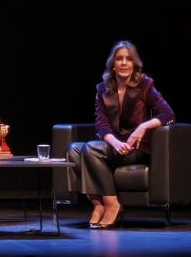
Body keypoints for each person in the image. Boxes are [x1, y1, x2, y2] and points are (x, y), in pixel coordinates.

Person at [67, 40, 175, 229]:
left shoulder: (145, 85)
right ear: (113, 65)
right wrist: (114, 142)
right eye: (119, 59)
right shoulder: (102, 89)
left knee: (91, 149)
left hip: (137, 147)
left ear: (135, 64)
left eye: (129, 59)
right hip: (114, 145)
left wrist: (142, 128)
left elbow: (168, 114)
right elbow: (101, 123)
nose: (124, 63)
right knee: (74, 150)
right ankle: (98, 205)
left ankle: (112, 204)